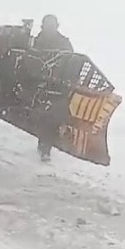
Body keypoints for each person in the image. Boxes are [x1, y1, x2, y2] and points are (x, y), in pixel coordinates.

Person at [33, 14, 74, 162]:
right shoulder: (59, 42)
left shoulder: (42, 41)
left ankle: (45, 147)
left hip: (52, 87)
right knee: (50, 113)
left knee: (50, 113)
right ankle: (45, 148)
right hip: (46, 87)